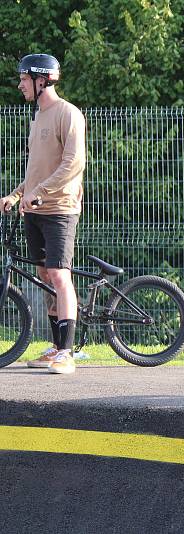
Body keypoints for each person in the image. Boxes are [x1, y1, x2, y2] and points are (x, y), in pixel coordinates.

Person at [1, 54, 86, 375]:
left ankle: (67, 352)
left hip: (60, 209)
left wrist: (40, 193)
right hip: (33, 209)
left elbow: (73, 164)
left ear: (41, 80)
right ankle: (55, 346)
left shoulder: (68, 113)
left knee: (60, 276)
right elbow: (36, 172)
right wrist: (17, 194)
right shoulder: (38, 117)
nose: (20, 84)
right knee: (45, 277)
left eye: (24, 78)